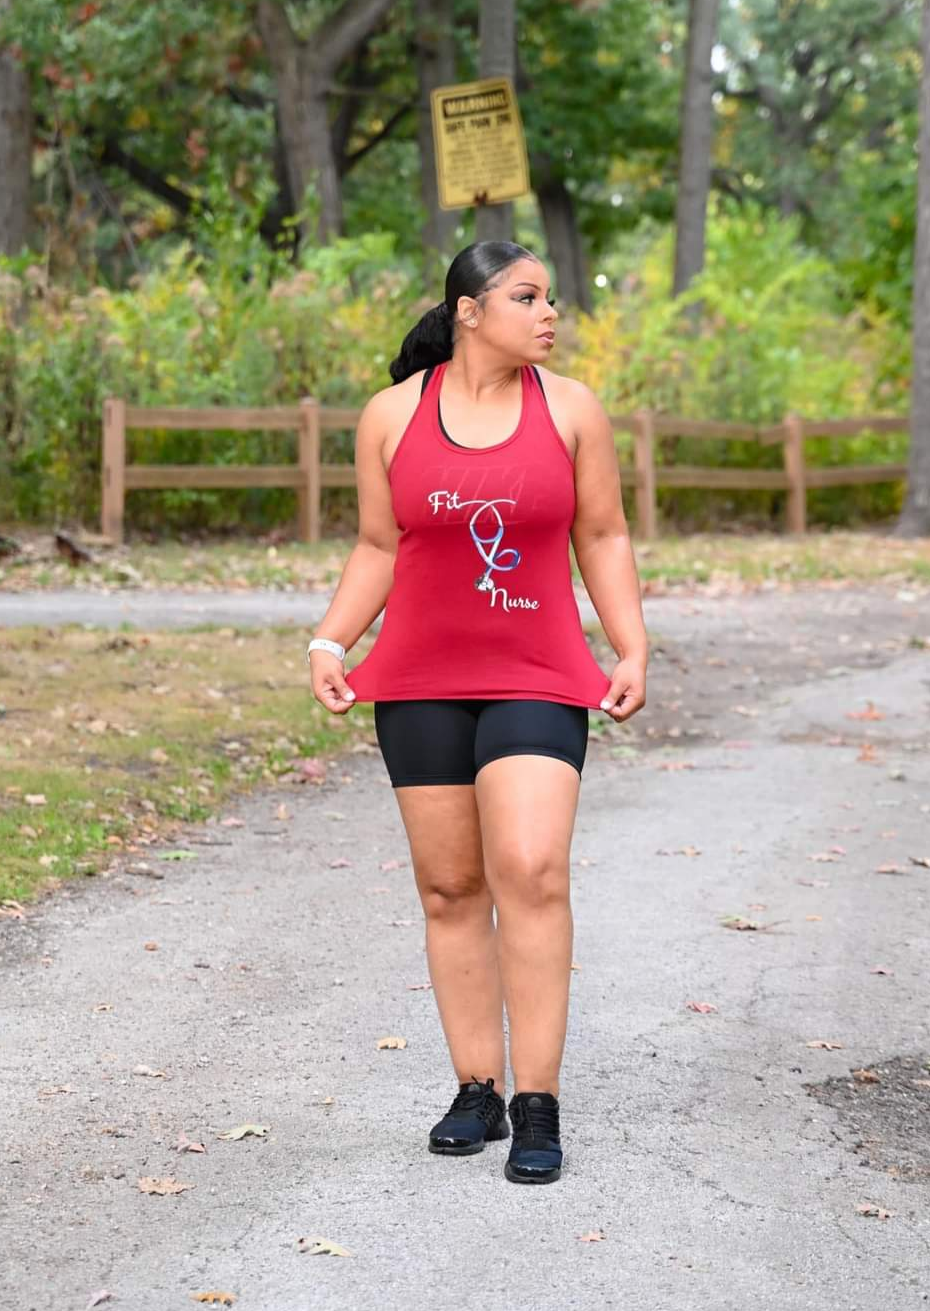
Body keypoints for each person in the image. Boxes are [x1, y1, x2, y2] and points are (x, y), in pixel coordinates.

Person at [307, 240, 648, 1185]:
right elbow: (379, 545)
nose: (550, 313)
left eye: (552, 297)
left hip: (539, 669)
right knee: (452, 889)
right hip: (418, 677)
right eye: (528, 297)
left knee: (531, 870)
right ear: (469, 309)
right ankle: (477, 1089)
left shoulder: (572, 410)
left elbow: (604, 533)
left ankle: (537, 1103)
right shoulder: (390, 416)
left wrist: (632, 644)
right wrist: (331, 642)